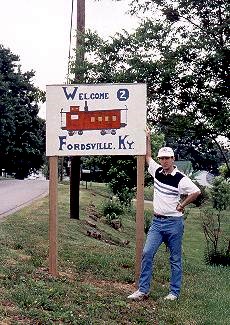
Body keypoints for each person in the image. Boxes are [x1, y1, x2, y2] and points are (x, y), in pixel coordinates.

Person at [128, 128, 201, 301]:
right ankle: (142, 290)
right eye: (162, 158)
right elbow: (147, 157)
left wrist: (182, 204)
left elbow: (196, 191)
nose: (164, 161)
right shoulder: (157, 172)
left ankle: (174, 293)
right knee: (147, 253)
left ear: (173, 159)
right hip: (157, 223)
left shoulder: (181, 178)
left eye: (167, 158)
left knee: (175, 259)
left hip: (174, 223)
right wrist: (147, 138)